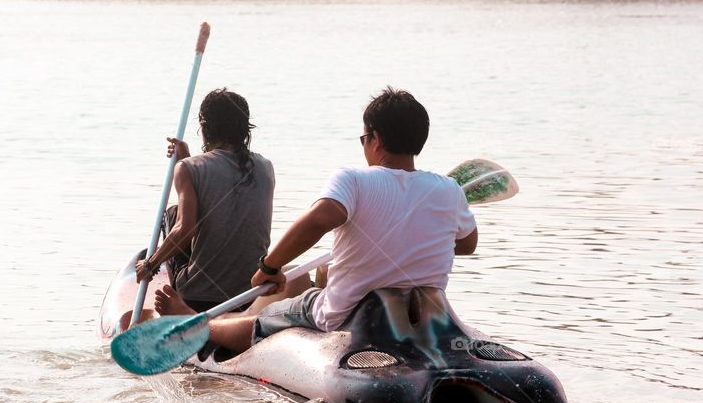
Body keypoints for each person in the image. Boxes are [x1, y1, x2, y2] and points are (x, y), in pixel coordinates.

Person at [204, 87, 478, 354]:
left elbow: (319, 220)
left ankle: (201, 329)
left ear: (376, 139)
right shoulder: (449, 189)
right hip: (422, 316)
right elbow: (467, 244)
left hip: (340, 314)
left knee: (268, 315)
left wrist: (269, 266)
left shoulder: (353, 179)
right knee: (320, 277)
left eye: (364, 138)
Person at [134, 88, 275, 313]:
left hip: (199, 297)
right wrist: (187, 158)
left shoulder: (189, 169)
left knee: (173, 213)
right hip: (250, 293)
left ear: (204, 126)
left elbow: (185, 229)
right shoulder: (266, 167)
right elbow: (221, 190)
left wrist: (150, 264)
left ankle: (179, 303)